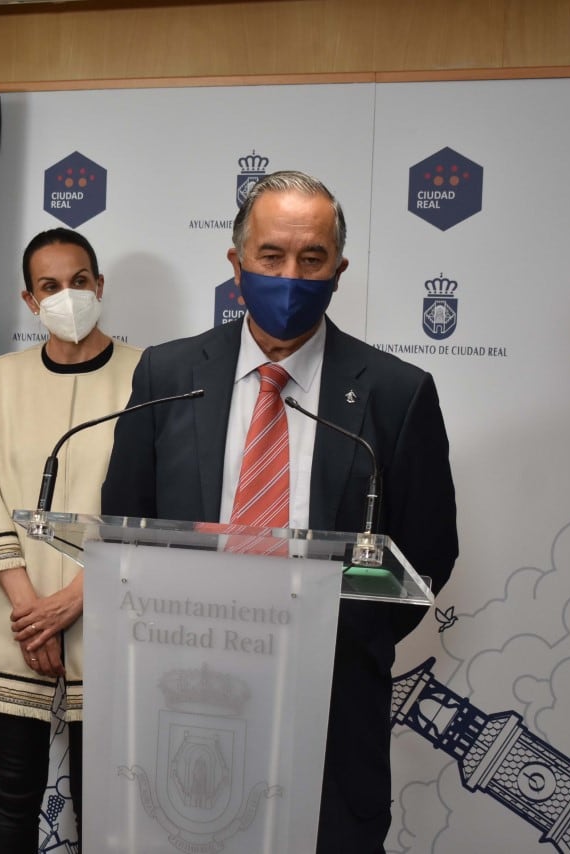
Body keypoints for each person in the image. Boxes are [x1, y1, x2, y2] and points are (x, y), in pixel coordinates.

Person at [101, 171, 458, 853]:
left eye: (311, 258)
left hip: (329, 712)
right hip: (181, 704)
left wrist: (332, 641)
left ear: (338, 269)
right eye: (271, 256)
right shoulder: (166, 377)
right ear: (236, 265)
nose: (290, 275)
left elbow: (427, 554)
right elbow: (124, 525)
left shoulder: (395, 393)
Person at [0, 228, 141, 852]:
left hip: (113, 619)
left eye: (79, 281)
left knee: (107, 806)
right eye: (50, 286)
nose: (68, 295)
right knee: (11, 795)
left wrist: (74, 601)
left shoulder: (149, 377)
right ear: (29, 300)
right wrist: (32, 613)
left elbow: (153, 510)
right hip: (15, 619)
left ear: (99, 285)